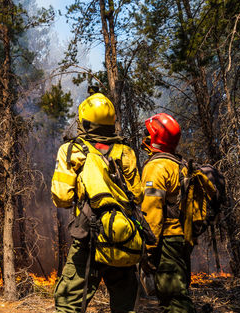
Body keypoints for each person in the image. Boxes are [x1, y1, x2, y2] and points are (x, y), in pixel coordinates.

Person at [51, 92, 143, 313]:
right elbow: (138, 195)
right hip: (123, 237)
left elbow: (61, 197)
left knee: (68, 303)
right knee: (125, 305)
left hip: (88, 238)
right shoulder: (126, 151)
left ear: (84, 121)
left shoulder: (72, 150)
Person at [140, 113, 196, 313]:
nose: (144, 137)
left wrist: (149, 248)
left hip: (166, 241)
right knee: (175, 294)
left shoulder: (156, 167)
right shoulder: (178, 164)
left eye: (147, 133)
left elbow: (152, 210)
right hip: (181, 238)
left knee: (174, 299)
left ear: (155, 138)